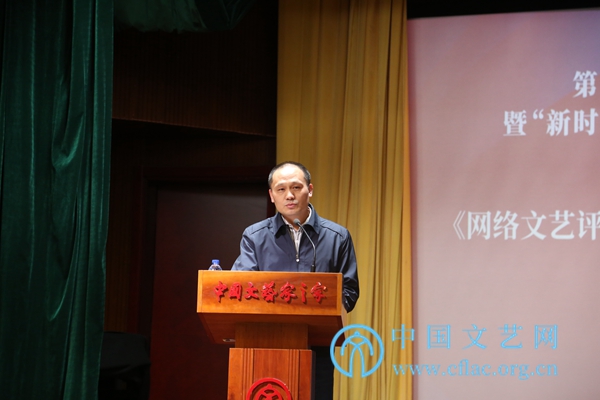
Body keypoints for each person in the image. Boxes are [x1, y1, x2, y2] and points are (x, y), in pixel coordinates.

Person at [232, 161, 359, 400]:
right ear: (272, 195)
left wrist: (325, 309)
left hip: (318, 348)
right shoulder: (254, 237)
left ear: (309, 190)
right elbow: (242, 289)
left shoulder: (337, 237)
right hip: (264, 344)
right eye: (281, 189)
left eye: (296, 187)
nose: (289, 195)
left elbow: (349, 291)